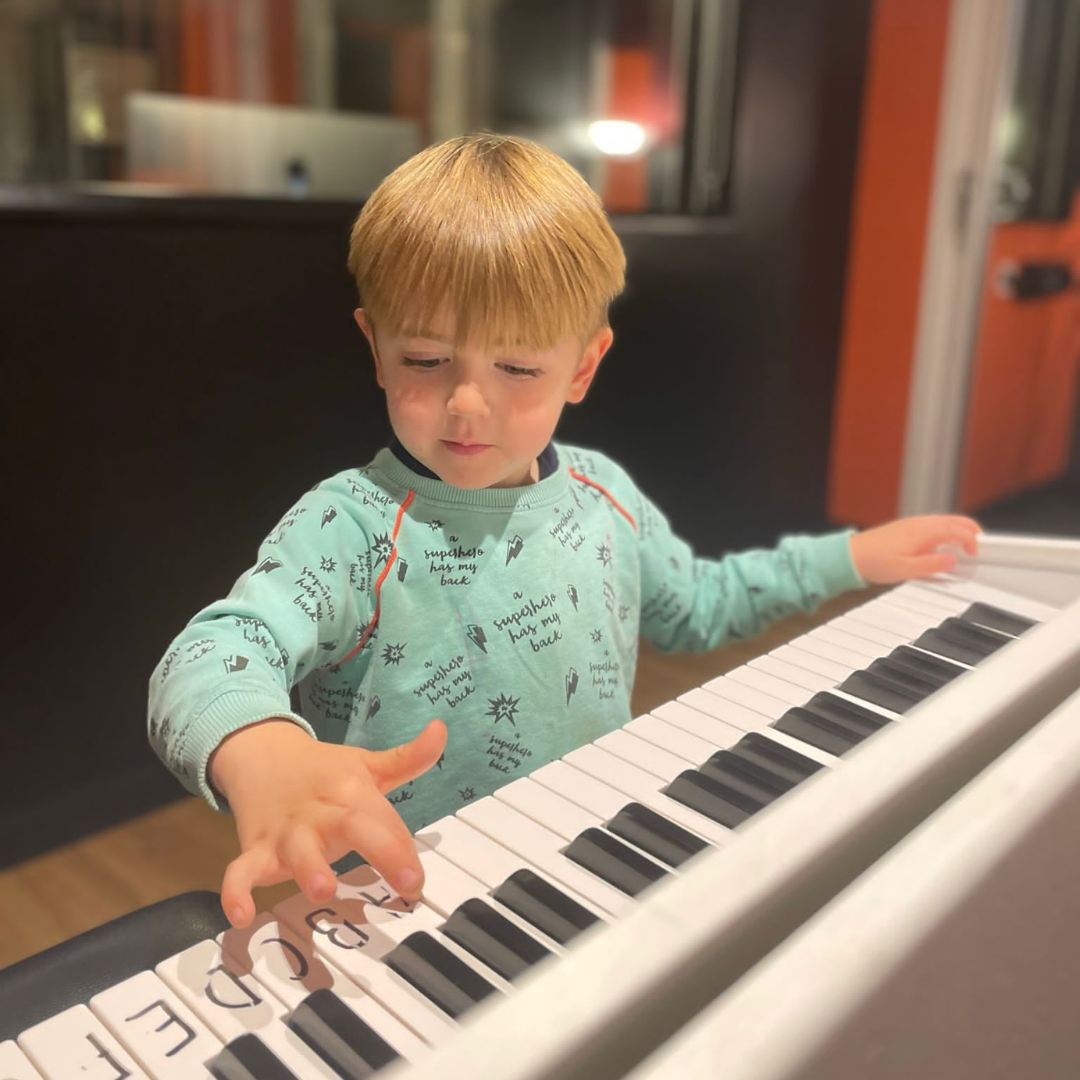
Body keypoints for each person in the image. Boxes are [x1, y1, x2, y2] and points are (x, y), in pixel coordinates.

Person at [148, 133, 980, 930]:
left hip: (584, 857)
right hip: (399, 900)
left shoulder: (602, 494)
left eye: (516, 369)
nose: (468, 404)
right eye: (426, 360)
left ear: (582, 366)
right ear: (376, 347)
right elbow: (208, 655)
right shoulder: (350, 527)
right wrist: (262, 751)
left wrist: (849, 556)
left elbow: (695, 606)